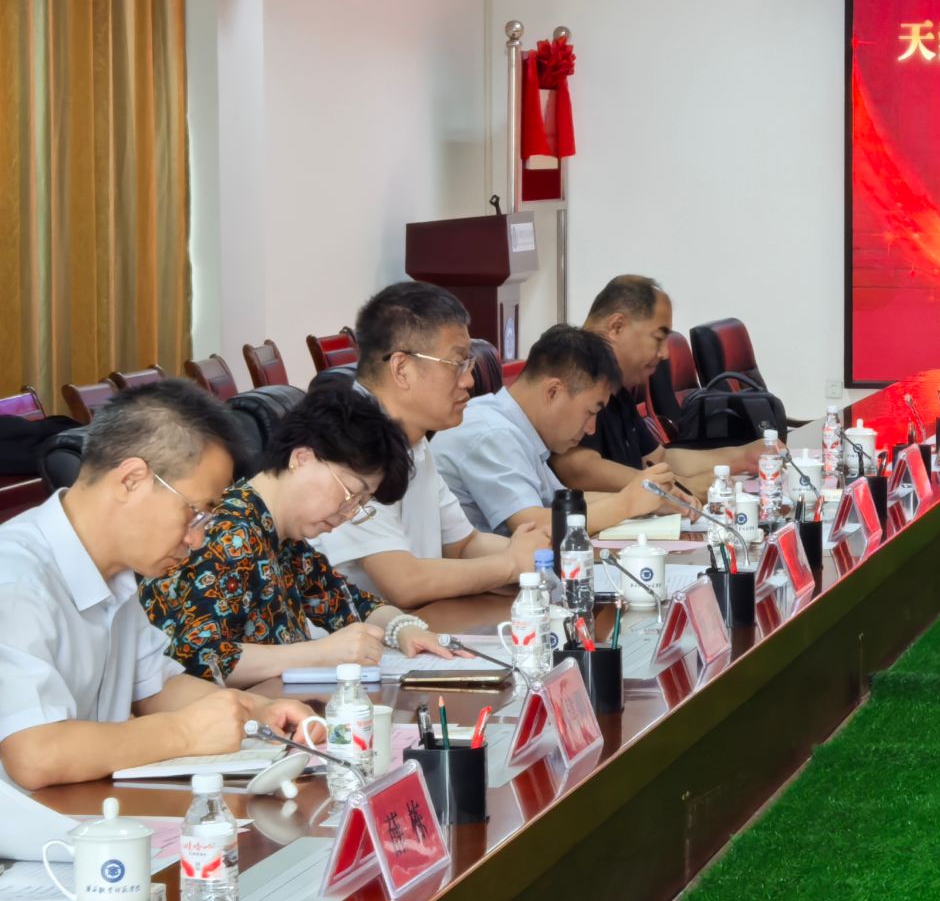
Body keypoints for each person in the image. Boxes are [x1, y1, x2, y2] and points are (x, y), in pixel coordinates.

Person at [0, 382, 318, 794]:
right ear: (131, 480)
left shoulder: (115, 571)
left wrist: (258, 712)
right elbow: (35, 754)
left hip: (86, 808)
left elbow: (155, 685)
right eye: (195, 513)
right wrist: (185, 733)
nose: (197, 540)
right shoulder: (15, 578)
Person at [140, 390, 458, 686]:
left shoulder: (285, 539)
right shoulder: (228, 532)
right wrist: (320, 653)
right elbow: (198, 659)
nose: (349, 513)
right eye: (351, 493)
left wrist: (404, 629)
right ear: (302, 458)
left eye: (362, 504)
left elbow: (349, 603)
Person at [312, 282, 550, 606]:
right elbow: (404, 582)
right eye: (457, 364)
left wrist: (542, 555)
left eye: (469, 365)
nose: (469, 380)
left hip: (413, 626)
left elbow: (463, 545)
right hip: (356, 636)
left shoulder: (413, 439)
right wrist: (510, 564)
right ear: (402, 369)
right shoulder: (349, 441)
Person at [435, 324, 673, 537]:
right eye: (590, 412)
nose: (591, 429)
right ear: (553, 392)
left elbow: (563, 505)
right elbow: (536, 525)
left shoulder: (518, 430)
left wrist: (652, 501)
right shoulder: (492, 433)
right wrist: (627, 503)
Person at [547, 274, 760, 501]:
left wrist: (742, 456)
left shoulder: (618, 387)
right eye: (658, 338)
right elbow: (576, 468)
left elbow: (659, 458)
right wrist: (675, 488)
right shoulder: (570, 371)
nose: (665, 353)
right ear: (616, 327)